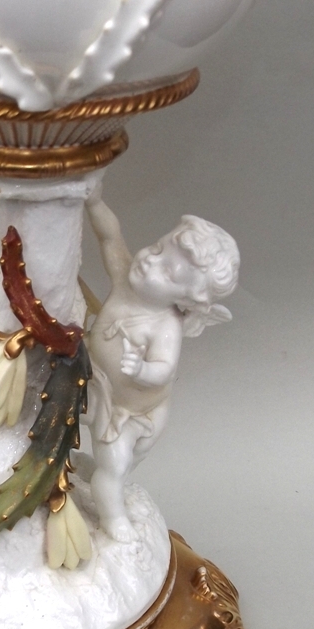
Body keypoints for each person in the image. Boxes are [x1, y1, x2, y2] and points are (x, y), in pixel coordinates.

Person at [85, 187, 239, 543]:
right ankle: (109, 512)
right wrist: (94, 202)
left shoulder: (165, 325)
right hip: (98, 386)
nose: (150, 261)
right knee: (111, 463)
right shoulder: (126, 281)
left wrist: (141, 369)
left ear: (186, 299)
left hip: (138, 411)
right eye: (157, 248)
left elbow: (164, 371)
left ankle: (110, 505)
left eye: (167, 272)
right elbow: (109, 237)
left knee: (122, 463)